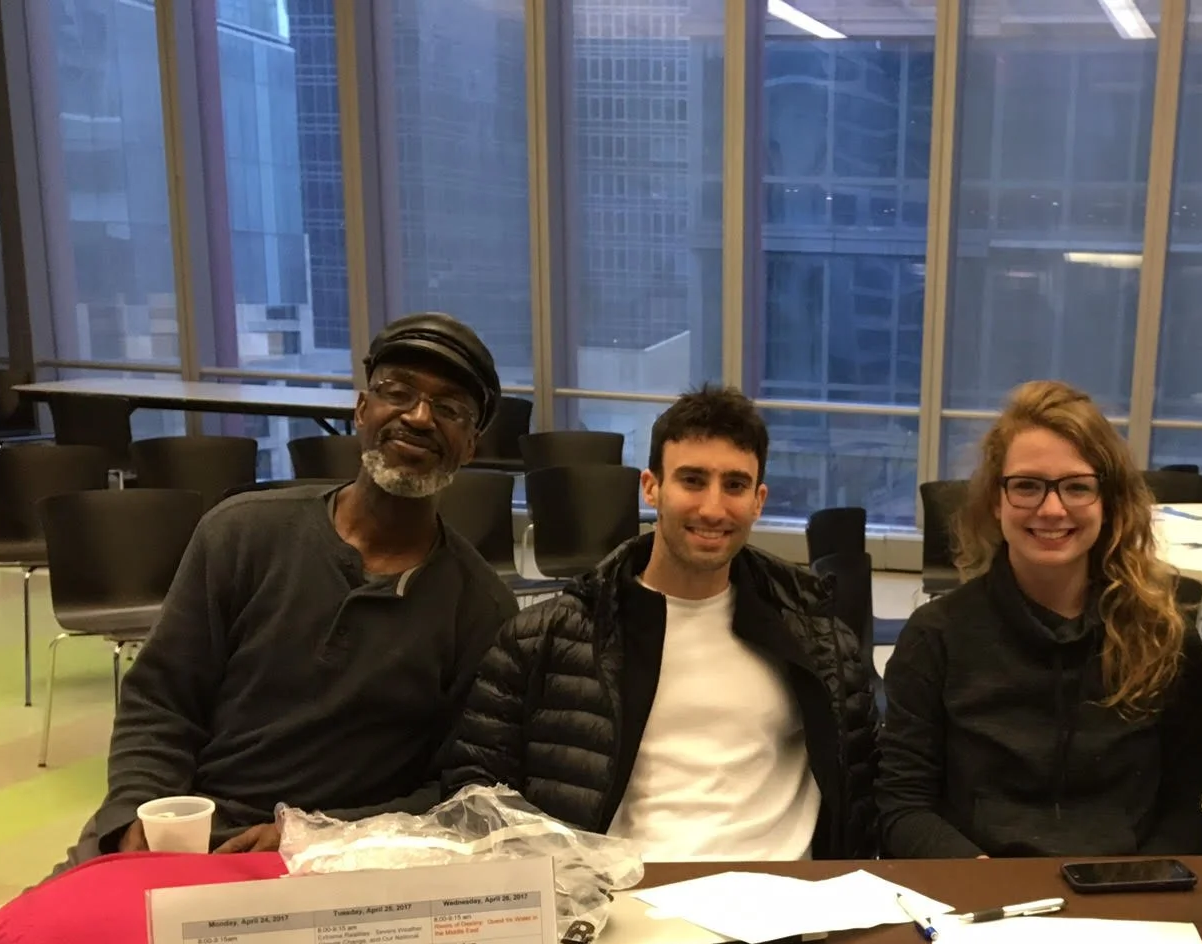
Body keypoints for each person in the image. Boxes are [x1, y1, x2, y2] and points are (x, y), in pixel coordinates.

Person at [70, 312, 519, 859]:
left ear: (470, 446)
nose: (420, 417)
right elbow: (161, 701)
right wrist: (139, 811)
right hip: (185, 829)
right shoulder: (241, 533)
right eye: (398, 392)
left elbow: (456, 789)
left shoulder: (481, 609)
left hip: (338, 860)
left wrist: (319, 836)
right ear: (362, 410)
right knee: (39, 916)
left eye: (449, 409)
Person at [440, 384, 875, 860]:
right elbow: (475, 794)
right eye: (692, 480)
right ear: (651, 488)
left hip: (782, 894)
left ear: (758, 500)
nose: (713, 508)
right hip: (621, 893)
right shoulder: (542, 640)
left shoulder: (820, 642)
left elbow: (864, 796)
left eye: (735, 485)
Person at [876, 380, 1202, 858]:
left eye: (1077, 487)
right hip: (980, 885)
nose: (1052, 509)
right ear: (996, 500)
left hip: (1126, 886)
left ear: (1108, 501)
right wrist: (983, 880)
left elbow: (1189, 802)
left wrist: (1138, 882)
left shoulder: (1164, 637)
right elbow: (903, 805)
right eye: (1027, 486)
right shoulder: (936, 637)